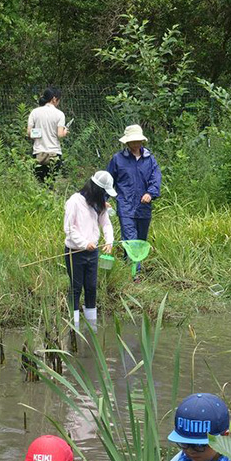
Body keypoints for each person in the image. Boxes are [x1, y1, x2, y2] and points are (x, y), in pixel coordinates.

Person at [63, 171, 117, 331]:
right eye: (104, 194)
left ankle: (91, 328)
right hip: (75, 252)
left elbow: (106, 224)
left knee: (92, 287)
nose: (105, 198)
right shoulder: (75, 201)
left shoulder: (98, 203)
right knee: (76, 287)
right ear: (95, 189)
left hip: (93, 252)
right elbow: (69, 228)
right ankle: (74, 327)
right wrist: (84, 243)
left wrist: (109, 241)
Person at [106, 124, 162, 272]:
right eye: (132, 141)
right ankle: (135, 274)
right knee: (131, 239)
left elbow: (156, 179)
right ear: (127, 142)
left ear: (142, 141)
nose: (135, 144)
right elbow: (108, 180)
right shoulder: (118, 159)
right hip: (125, 205)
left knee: (141, 240)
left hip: (144, 207)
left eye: (138, 140)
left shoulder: (149, 159)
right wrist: (103, 199)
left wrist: (150, 193)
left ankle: (127, 268)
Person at [27, 87, 68, 183]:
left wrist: (40, 132)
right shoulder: (60, 114)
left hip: (38, 153)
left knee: (40, 184)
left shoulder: (34, 112)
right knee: (51, 184)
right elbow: (60, 135)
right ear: (54, 99)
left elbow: (29, 133)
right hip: (54, 153)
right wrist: (65, 132)